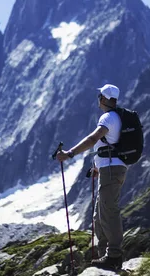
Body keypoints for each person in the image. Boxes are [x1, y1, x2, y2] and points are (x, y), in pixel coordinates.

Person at [55, 83, 127, 271]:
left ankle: (113, 256)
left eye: (100, 96)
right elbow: (108, 145)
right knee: (99, 214)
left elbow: (93, 139)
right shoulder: (118, 117)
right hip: (109, 169)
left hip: (111, 171)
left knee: (109, 211)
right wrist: (98, 167)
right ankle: (105, 255)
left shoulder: (108, 117)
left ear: (104, 99)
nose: (98, 99)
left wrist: (70, 153)